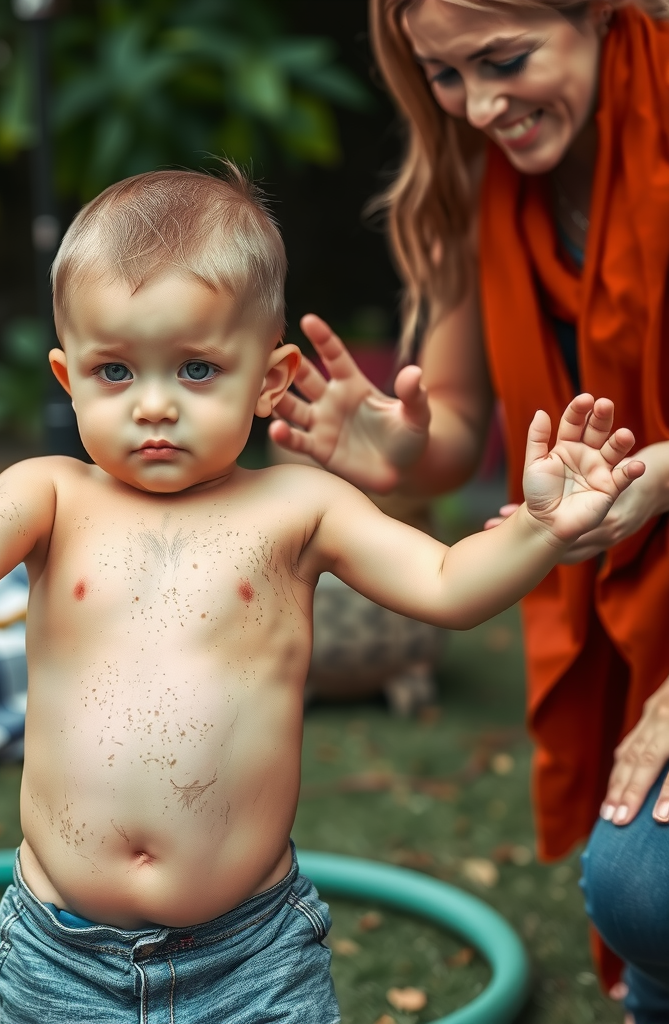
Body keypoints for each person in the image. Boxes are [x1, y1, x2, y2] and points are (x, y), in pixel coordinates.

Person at [0, 167, 639, 1024]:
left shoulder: (300, 506)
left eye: (197, 369)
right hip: (61, 950)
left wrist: (542, 530)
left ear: (271, 380)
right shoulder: (49, 492)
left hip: (251, 957)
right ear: (67, 374)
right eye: (116, 372)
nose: (154, 407)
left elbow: (449, 584)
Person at [268, 1, 669, 1019]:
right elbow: (451, 425)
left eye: (505, 59)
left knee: (644, 886)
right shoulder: (470, 175)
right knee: (643, 888)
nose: (480, 105)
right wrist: (397, 447)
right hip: (625, 566)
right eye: (445, 75)